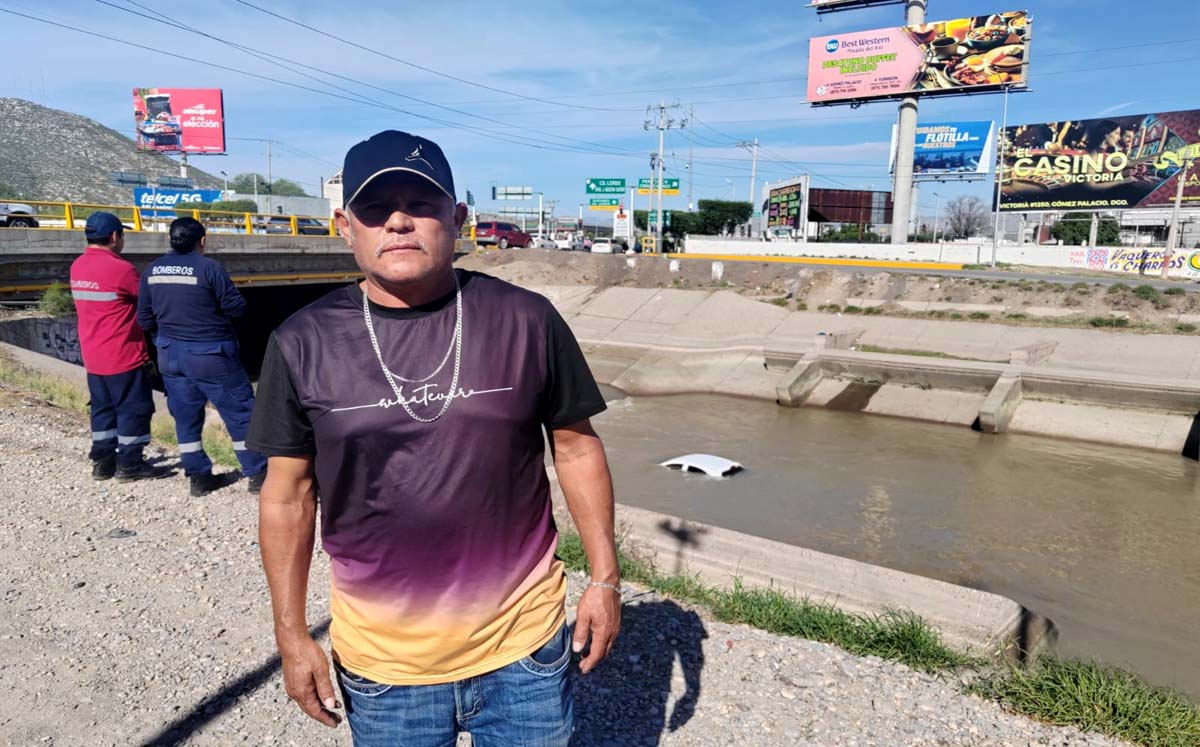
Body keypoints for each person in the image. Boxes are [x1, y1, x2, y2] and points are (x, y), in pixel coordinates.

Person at [247, 130, 621, 746]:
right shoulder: (300, 343)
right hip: (383, 667)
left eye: (420, 204)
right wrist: (290, 634)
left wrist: (605, 579)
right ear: (345, 227)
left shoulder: (527, 320)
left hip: (525, 651)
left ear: (458, 219)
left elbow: (577, 447)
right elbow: (287, 495)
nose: (398, 221)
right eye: (375, 209)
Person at [136, 217, 266, 497]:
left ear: (171, 240)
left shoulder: (152, 270)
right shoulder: (209, 268)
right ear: (202, 241)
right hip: (211, 354)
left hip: (170, 355)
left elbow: (144, 318)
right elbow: (236, 308)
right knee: (240, 412)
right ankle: (257, 473)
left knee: (185, 418)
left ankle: (198, 478)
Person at [69, 212, 167, 482]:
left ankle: (102, 463)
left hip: (93, 355)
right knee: (134, 409)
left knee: (102, 408)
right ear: (115, 236)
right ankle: (130, 465)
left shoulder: (77, 266)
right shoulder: (121, 269)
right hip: (123, 354)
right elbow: (149, 303)